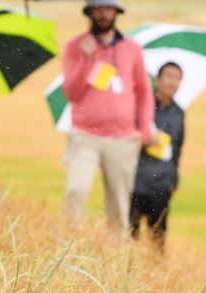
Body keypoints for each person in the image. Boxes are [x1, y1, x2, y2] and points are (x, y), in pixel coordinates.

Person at [62, 0, 155, 236]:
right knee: (76, 190)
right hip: (85, 135)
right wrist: (87, 60)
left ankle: (115, 258)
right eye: (98, 9)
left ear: (116, 12)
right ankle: (68, 248)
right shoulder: (75, 47)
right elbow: (71, 92)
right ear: (90, 12)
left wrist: (143, 130)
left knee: (119, 206)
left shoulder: (132, 49)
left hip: (122, 139)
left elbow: (144, 92)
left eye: (107, 9)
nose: (103, 14)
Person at [129, 62, 185, 250]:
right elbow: (126, 136)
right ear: (158, 79)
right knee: (130, 235)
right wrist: (144, 138)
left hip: (161, 184)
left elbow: (177, 149)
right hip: (136, 179)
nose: (172, 82)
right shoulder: (142, 105)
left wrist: (173, 181)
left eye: (177, 78)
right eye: (169, 76)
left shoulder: (179, 113)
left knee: (158, 240)